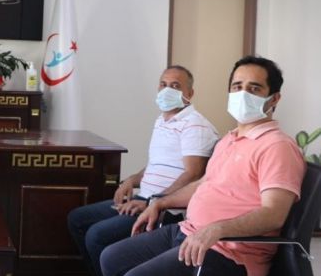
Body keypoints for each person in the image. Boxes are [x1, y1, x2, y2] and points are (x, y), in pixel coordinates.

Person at [100, 56, 306, 276]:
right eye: (237, 87)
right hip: (189, 232)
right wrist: (160, 203)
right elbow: (203, 183)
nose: (243, 94)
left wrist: (218, 228)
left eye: (254, 88)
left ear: (274, 98)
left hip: (227, 251)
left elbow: (273, 214)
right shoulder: (229, 139)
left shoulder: (277, 146)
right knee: (112, 257)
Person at [67, 66, 218, 276]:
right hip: (143, 198)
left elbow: (193, 174)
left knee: (96, 235)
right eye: (163, 84)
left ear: (190, 93)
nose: (167, 90)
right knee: (78, 218)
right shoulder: (162, 121)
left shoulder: (195, 125)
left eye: (175, 86)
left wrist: (153, 202)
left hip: (165, 209)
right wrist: (131, 180)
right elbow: (156, 165)